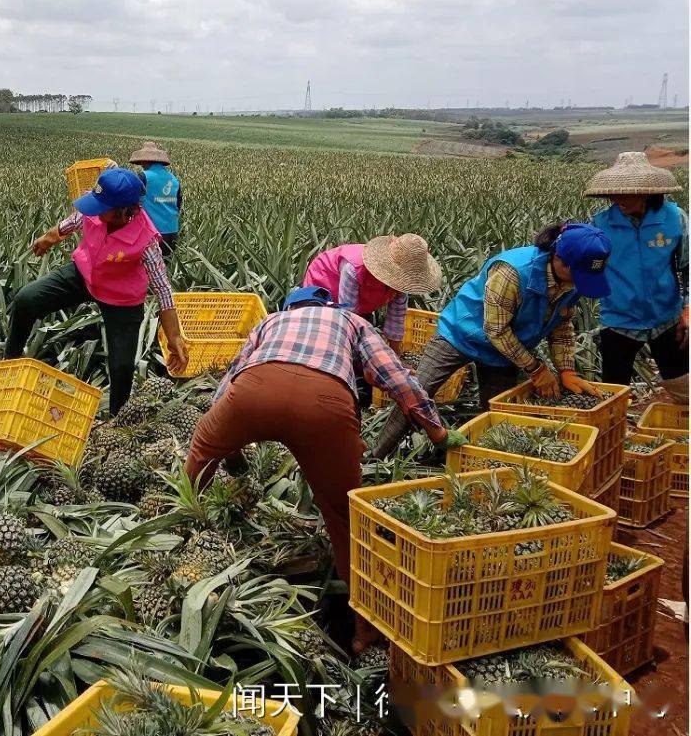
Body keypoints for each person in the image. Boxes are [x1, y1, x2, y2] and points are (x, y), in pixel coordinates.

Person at [184, 286, 463, 652]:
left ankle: (183, 534)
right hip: (325, 405)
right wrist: (437, 431)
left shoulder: (271, 321)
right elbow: (397, 378)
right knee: (344, 518)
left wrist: (228, 445)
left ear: (290, 308)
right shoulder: (350, 319)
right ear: (326, 306)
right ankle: (364, 632)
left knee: (203, 448)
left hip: (254, 392)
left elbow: (231, 377)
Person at [371, 223, 612, 459]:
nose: (578, 284)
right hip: (461, 334)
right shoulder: (513, 271)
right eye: (578, 275)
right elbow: (496, 330)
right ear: (559, 258)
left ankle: (481, 464)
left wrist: (567, 370)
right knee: (416, 395)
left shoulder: (575, 280)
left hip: (505, 351)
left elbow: (561, 325)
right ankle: (374, 458)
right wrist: (536, 369)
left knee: (498, 415)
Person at [7, 168, 188, 414]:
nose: (94, 209)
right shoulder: (95, 210)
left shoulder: (146, 240)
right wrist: (49, 237)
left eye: (102, 206)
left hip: (121, 298)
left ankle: (117, 419)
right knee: (25, 299)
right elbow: (73, 221)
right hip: (84, 274)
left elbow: (162, 289)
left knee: (122, 367)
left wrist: (174, 336)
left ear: (124, 211)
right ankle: (9, 364)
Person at [585, 152, 688, 385]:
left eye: (625, 192)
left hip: (667, 319)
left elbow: (687, 266)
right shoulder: (600, 224)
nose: (617, 199)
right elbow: (588, 270)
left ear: (646, 190)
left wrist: (688, 310)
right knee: (615, 393)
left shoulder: (674, 218)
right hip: (618, 323)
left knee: (682, 389)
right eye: (613, 192)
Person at [303, 233, 442, 354]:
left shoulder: (403, 280)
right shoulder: (354, 267)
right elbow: (348, 313)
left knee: (361, 329)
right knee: (325, 330)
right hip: (325, 280)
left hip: (359, 296)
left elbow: (397, 315)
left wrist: (396, 356)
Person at [129, 141, 182, 257]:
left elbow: (131, 200)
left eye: (142, 161)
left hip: (152, 232)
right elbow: (178, 205)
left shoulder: (143, 177)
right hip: (172, 232)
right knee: (166, 269)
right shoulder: (174, 179)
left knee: (150, 271)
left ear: (147, 161)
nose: (142, 164)